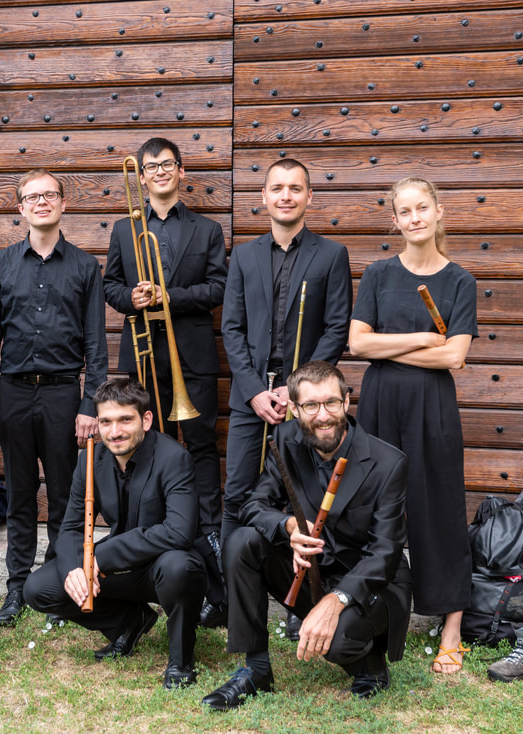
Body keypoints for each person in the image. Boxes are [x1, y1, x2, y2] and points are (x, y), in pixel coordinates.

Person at [201, 361, 411, 710]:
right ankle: (256, 670)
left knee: (338, 641)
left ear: (347, 401)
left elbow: (385, 554)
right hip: (312, 568)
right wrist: (289, 528)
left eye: (331, 402)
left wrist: (335, 601)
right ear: (295, 409)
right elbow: (253, 506)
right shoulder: (286, 440)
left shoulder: (388, 462)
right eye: (311, 405)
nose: (323, 416)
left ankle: (370, 665)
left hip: (370, 583)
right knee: (241, 542)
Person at [214, 158, 352, 631]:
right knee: (237, 493)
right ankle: (232, 598)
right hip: (250, 397)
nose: (286, 196)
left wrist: (297, 392)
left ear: (310, 196)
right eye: (277, 188)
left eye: (295, 188)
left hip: (304, 400)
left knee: (301, 497)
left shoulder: (331, 255)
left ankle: (303, 601)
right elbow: (232, 329)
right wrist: (255, 390)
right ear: (264, 197)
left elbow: (335, 329)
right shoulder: (244, 256)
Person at [347, 176, 477, 675]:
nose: (415, 217)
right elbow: (358, 344)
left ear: (439, 211)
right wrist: (424, 338)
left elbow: (456, 357)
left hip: (432, 405)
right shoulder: (378, 274)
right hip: (381, 400)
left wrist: (388, 346)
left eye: (422, 207)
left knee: (439, 507)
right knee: (369, 505)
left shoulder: (460, 281)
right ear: (395, 220)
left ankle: (451, 629)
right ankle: (361, 609)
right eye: (405, 211)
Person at [0, 169, 108, 628]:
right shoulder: (1, 264)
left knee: (65, 494)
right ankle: (16, 587)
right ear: (21, 208)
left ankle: (56, 584)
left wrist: (89, 405)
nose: (42, 202)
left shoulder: (85, 267)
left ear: (63, 204)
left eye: (50, 195)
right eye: (32, 197)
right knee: (20, 492)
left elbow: (96, 346)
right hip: (12, 393)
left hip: (64, 393)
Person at [103, 137, 227, 622]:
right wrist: (130, 299)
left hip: (190, 356)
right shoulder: (124, 229)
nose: (159, 172)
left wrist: (169, 296)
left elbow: (217, 287)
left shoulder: (207, 229)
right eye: (151, 166)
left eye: (167, 164)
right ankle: (148, 545)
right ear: (141, 176)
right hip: (141, 356)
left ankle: (211, 553)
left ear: (181, 171)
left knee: (200, 447)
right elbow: (111, 285)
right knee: (145, 449)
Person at [23, 378, 206, 689]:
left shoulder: (173, 458)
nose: (114, 431)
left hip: (163, 567)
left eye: (125, 420)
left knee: (179, 567)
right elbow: (71, 528)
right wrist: (74, 569)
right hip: (120, 569)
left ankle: (181, 661)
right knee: (38, 588)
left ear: (145, 420)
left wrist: (100, 557)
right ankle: (130, 621)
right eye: (106, 422)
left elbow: (179, 531)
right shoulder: (90, 459)